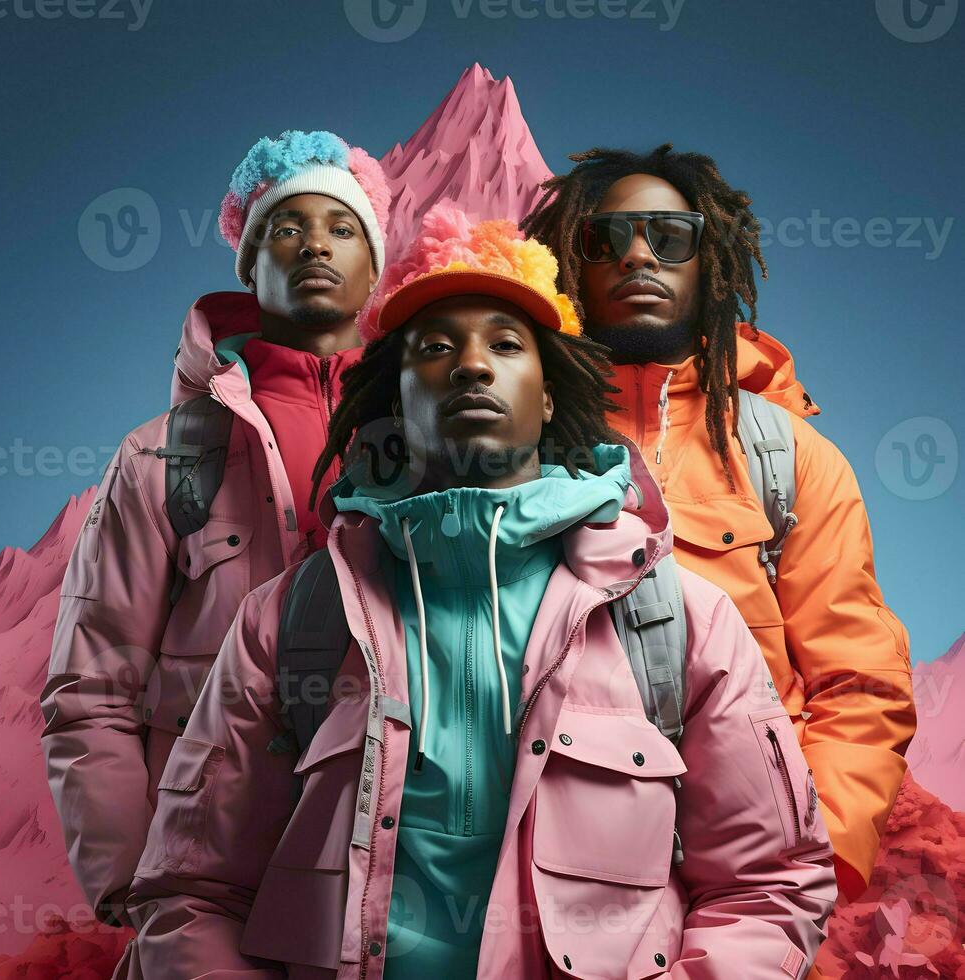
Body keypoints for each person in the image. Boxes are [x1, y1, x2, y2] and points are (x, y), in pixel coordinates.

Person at [123, 206, 836, 979]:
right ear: (395, 402)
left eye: (505, 344)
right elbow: (192, 888)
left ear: (552, 394)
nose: (470, 365)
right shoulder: (293, 619)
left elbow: (767, 884)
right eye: (434, 349)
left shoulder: (676, 618)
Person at [521, 143, 917, 906]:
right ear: (570, 264)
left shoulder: (790, 455)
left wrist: (809, 868)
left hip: (756, 873)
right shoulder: (512, 443)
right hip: (552, 872)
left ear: (709, 262)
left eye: (670, 236)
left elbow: (858, 681)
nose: (639, 255)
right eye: (607, 239)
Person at [40, 129, 390, 928]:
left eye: (342, 229)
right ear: (250, 263)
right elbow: (92, 686)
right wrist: (140, 886)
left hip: (393, 861)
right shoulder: (161, 455)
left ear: (374, 270)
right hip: (211, 872)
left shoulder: (437, 436)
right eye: (285, 228)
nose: (315, 247)